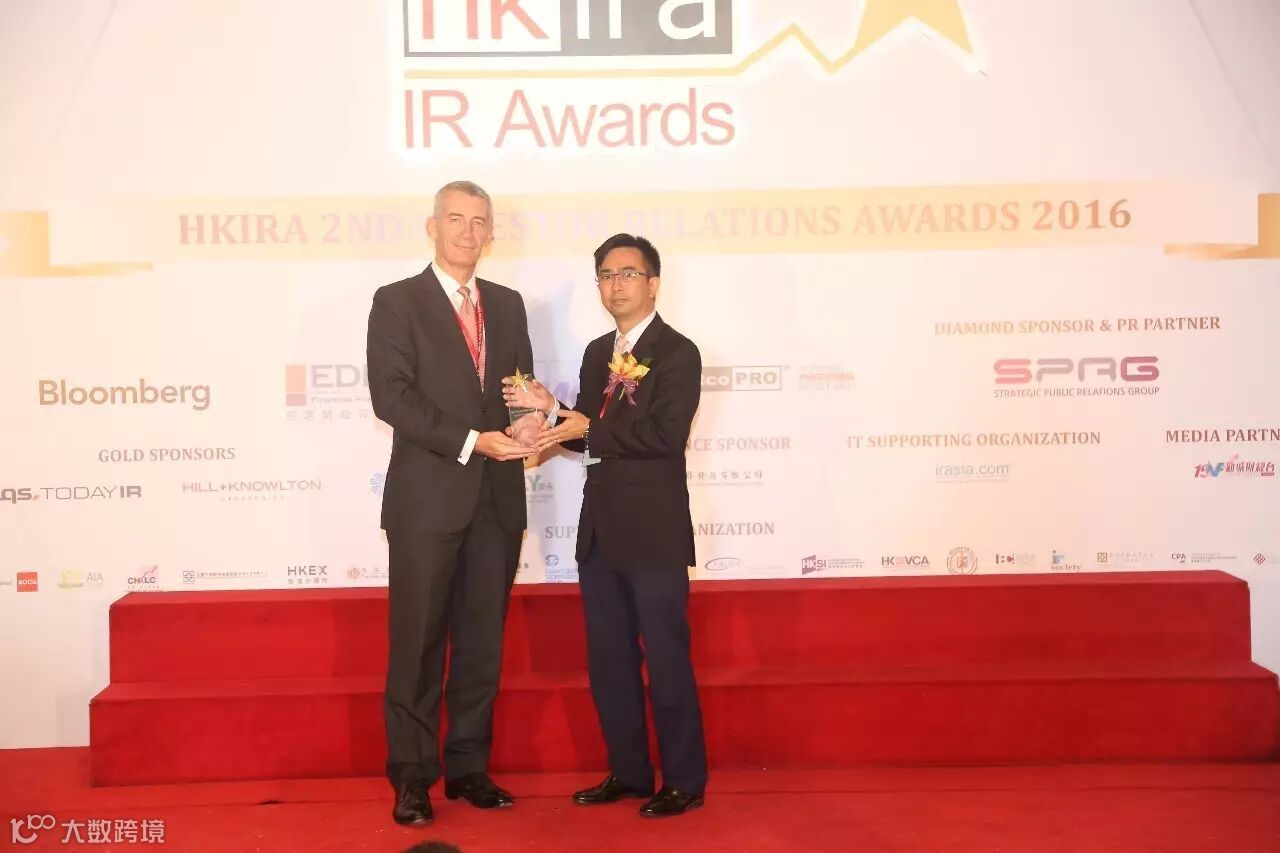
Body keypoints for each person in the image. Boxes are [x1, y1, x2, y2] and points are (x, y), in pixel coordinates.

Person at [368, 180, 554, 826]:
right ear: (432, 226)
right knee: (417, 643)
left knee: (480, 644)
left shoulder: (507, 303)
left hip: (496, 501)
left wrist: (529, 423)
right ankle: (413, 776)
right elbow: (392, 397)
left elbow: (517, 389)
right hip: (427, 501)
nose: (468, 232)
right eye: (456, 219)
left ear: (490, 233)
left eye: (479, 222)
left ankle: (470, 767)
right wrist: (476, 441)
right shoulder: (397, 301)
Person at [503, 233, 707, 818]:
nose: (616, 285)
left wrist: (583, 426)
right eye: (606, 275)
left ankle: (684, 780)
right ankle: (630, 771)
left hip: (654, 532)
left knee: (665, 659)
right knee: (610, 662)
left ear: (653, 283)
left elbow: (664, 436)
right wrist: (548, 414)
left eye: (628, 274)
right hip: (599, 531)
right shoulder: (597, 353)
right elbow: (587, 437)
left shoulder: (678, 352)